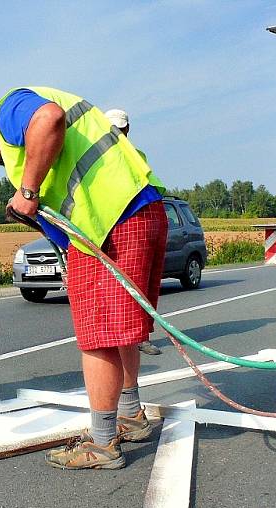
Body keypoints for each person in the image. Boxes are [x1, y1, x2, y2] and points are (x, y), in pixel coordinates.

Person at [0, 88, 168, 470]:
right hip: (139, 210)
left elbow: (49, 117)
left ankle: (102, 443)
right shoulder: (41, 127)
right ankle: (131, 415)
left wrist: (27, 190)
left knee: (96, 335)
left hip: (109, 222)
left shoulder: (9, 109)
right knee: (116, 329)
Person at [104, 109, 162, 357]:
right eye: (114, 128)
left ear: (128, 129)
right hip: (118, 221)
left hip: (137, 218)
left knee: (139, 286)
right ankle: (126, 337)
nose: (118, 133)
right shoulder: (103, 155)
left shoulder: (135, 154)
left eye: (121, 128)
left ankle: (139, 336)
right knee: (125, 289)